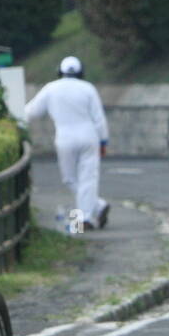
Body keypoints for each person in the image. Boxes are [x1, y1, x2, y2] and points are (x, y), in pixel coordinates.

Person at [25, 56, 110, 231]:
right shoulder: (88, 89)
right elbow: (99, 119)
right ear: (81, 72)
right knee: (88, 178)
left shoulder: (51, 89)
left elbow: (32, 111)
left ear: (59, 72)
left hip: (65, 138)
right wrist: (103, 141)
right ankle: (94, 209)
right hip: (89, 136)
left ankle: (82, 219)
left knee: (71, 179)